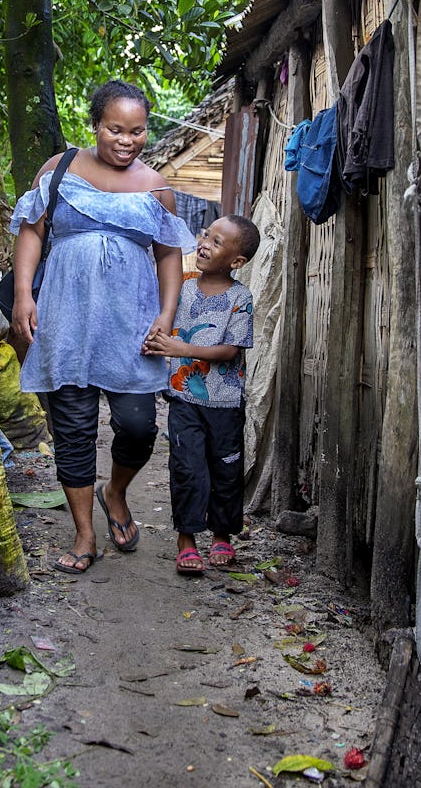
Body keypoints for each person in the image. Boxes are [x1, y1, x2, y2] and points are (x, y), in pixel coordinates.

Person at [9, 80, 196, 574]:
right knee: (72, 429)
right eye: (116, 129)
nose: (127, 140)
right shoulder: (59, 169)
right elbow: (32, 232)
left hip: (129, 329)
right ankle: (85, 532)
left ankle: (114, 491)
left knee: (138, 427)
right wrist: (25, 295)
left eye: (137, 131)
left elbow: (169, 256)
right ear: (96, 124)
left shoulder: (157, 187)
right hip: (65, 322)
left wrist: (166, 316)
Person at [143, 215, 259, 575]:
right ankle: (187, 539)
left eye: (218, 242)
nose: (205, 243)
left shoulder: (241, 297)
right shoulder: (183, 288)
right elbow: (163, 326)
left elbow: (230, 351)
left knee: (225, 469)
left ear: (236, 262)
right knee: (188, 468)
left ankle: (222, 535)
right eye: (206, 234)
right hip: (183, 398)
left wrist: (179, 348)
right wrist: (157, 341)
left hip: (224, 402)